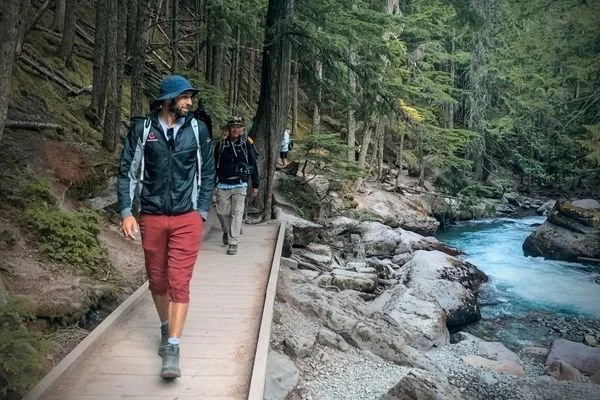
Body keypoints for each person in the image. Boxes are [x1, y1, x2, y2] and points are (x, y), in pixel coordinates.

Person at [117, 74, 215, 379]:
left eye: (190, 97)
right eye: (184, 97)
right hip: (152, 215)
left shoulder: (197, 129)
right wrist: (126, 211)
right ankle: (164, 326)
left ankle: (172, 347)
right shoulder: (143, 129)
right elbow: (127, 171)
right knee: (157, 280)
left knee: (179, 281)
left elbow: (207, 172)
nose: (189, 102)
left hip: (187, 217)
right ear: (167, 99)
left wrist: (200, 211)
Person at [214, 116, 259, 255]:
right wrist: (212, 182)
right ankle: (226, 231)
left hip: (240, 183)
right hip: (223, 183)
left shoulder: (247, 144)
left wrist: (255, 185)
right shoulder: (221, 144)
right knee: (222, 212)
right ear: (229, 129)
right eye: (233, 127)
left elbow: (253, 164)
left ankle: (233, 242)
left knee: (237, 213)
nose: (235, 130)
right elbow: (214, 164)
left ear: (242, 129)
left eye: (238, 127)